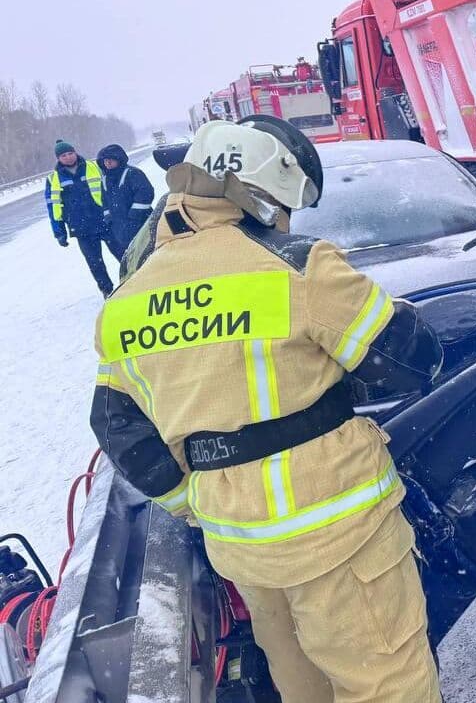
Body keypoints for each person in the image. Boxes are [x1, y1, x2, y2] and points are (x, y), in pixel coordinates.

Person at [89, 116, 444, 703]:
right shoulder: (299, 267)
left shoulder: (125, 304)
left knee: (300, 681)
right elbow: (412, 362)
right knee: (389, 682)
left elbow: (116, 424)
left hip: (241, 545)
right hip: (342, 533)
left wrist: (193, 503)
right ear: (262, 193)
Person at [45, 139, 121, 296]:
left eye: (70, 153)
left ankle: (135, 280)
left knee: (123, 253)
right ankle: (107, 290)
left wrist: (117, 213)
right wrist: (59, 232)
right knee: (95, 263)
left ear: (75, 152)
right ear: (58, 158)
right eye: (63, 155)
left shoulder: (93, 167)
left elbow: (111, 189)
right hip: (81, 229)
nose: (68, 157)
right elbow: (53, 207)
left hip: (105, 221)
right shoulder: (53, 179)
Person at [97, 144, 155, 252]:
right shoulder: (105, 179)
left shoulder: (132, 173)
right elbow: (104, 200)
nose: (108, 163)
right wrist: (108, 216)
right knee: (131, 256)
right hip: (119, 227)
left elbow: (146, 193)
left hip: (141, 222)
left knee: (148, 251)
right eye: (105, 160)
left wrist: (134, 215)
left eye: (111, 159)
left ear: (119, 159)